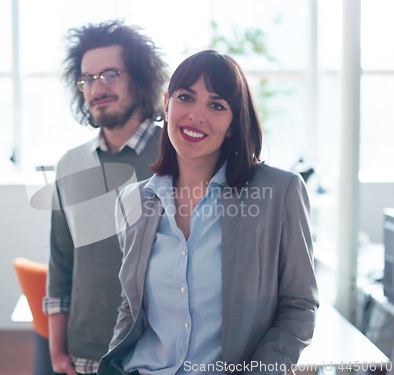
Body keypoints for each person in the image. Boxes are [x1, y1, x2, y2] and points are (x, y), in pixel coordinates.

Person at [97, 50, 319, 375]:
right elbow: (131, 308)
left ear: (232, 124)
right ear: (167, 104)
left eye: (216, 105)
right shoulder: (134, 200)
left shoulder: (279, 192)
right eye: (186, 98)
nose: (196, 116)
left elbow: (299, 307)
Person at [43, 21, 167, 375]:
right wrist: (57, 351)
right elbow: (60, 264)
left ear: (140, 77)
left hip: (161, 355)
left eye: (109, 75)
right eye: (87, 79)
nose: (97, 87)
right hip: (84, 355)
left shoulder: (179, 155)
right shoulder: (69, 164)